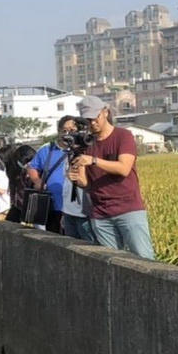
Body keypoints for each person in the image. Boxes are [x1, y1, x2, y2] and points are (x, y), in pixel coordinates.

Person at [69, 96, 153, 257]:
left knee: (144, 259)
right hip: (100, 214)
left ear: (105, 112)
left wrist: (93, 161)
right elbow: (86, 183)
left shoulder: (123, 136)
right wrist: (74, 177)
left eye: (95, 118)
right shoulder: (85, 144)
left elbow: (124, 168)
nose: (92, 123)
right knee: (112, 262)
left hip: (128, 209)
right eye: (87, 120)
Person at [28, 116, 85, 236]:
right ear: (59, 131)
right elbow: (33, 167)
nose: (68, 134)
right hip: (52, 205)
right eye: (64, 130)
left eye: (72, 130)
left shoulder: (82, 150)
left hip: (76, 207)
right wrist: (37, 181)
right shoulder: (47, 149)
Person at [5, 144, 35, 224]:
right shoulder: (20, 173)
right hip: (19, 207)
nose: (26, 167)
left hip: (33, 209)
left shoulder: (39, 173)